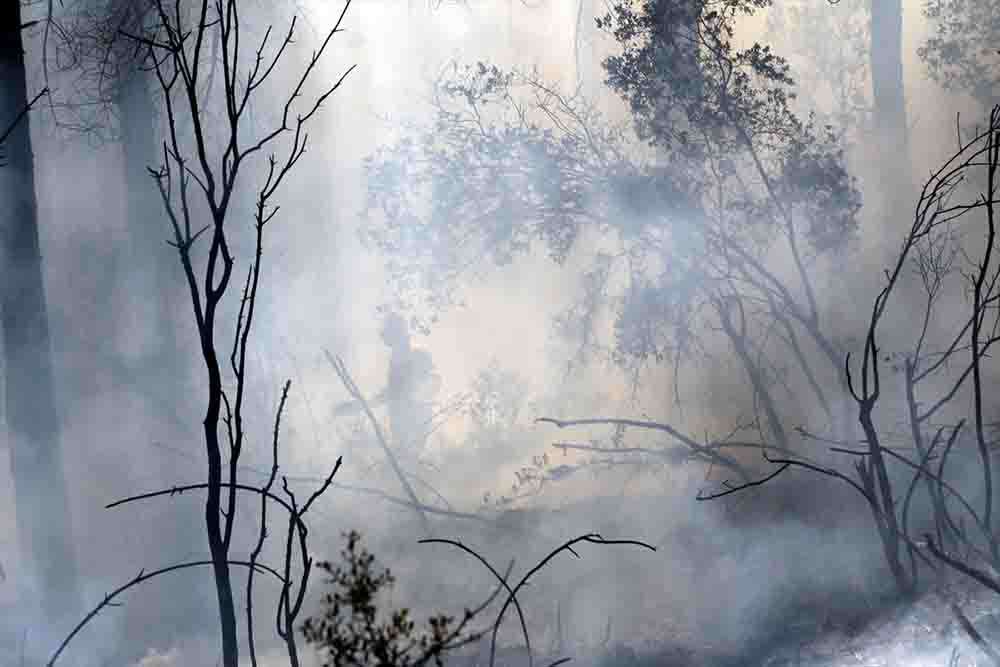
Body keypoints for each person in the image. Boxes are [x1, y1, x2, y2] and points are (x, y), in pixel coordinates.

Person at [334, 313, 440, 455]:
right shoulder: (397, 357)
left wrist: (416, 399)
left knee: (409, 458)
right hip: (401, 423)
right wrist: (360, 406)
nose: (385, 338)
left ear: (397, 333)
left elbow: (433, 381)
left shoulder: (416, 354)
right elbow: (393, 392)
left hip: (414, 425)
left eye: (388, 333)